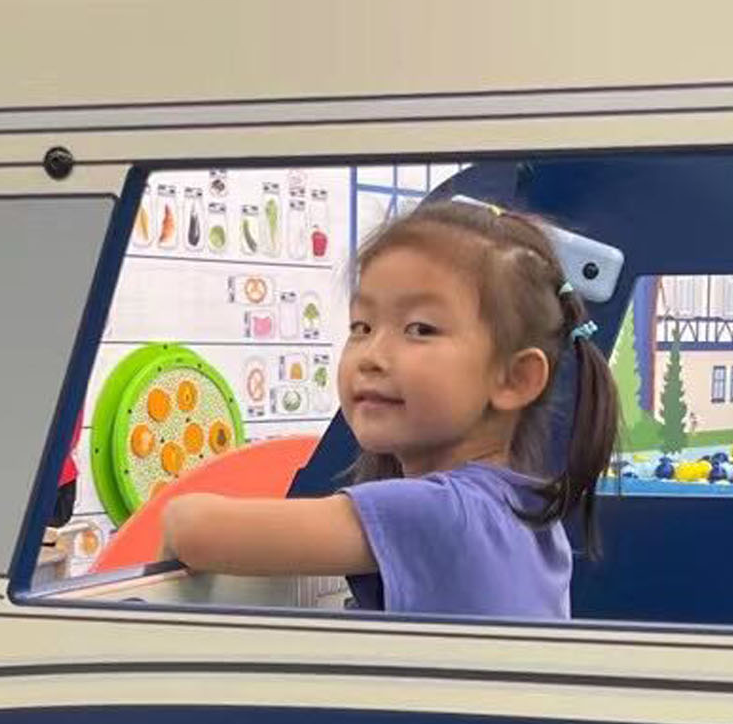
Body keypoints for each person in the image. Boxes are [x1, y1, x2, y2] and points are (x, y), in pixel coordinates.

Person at [164, 201, 618, 618]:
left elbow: (196, 530)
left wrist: (178, 512)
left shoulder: (439, 512)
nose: (372, 355)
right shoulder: (525, 510)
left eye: (419, 329)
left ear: (514, 379)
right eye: (361, 326)